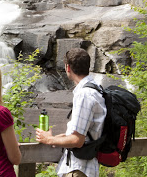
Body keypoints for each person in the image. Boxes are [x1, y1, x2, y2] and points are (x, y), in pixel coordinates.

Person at [35, 48, 107, 177]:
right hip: (84, 168)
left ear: (68, 68)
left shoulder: (84, 95)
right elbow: (83, 133)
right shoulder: (95, 89)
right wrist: (56, 138)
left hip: (79, 169)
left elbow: (77, 140)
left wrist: (50, 140)